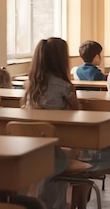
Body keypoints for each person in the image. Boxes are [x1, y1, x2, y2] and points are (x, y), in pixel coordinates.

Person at [22, 37, 88, 209]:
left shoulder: (30, 84)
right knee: (66, 159)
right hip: (52, 147)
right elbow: (76, 110)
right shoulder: (64, 86)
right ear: (61, 60)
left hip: (28, 145)